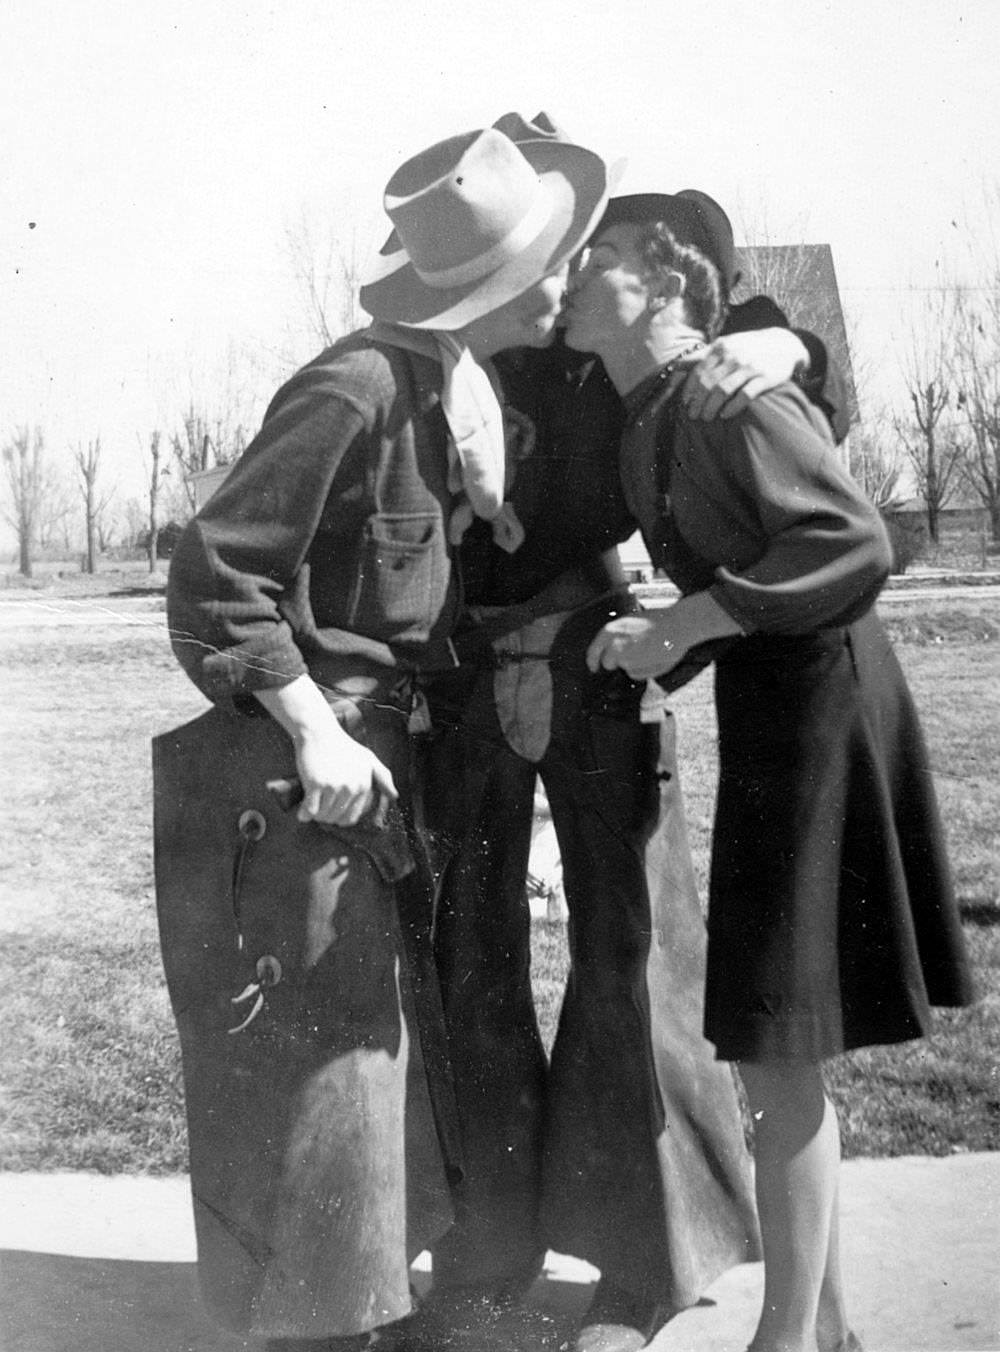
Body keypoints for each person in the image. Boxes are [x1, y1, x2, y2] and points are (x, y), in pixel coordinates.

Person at [153, 121, 615, 1352]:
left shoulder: (452, 392)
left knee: (386, 1047)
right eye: (549, 262)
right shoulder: (358, 386)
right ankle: (316, 1326)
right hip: (316, 765)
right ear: (496, 286)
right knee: (324, 1057)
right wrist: (308, 728)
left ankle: (375, 1300)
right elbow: (214, 575)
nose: (563, 281)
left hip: (396, 756)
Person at [408, 115, 853, 1352]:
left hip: (602, 663)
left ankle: (643, 1266)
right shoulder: (439, 325)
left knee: (630, 954)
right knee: (468, 955)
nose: (544, 276)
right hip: (460, 666)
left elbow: (759, 321)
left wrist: (784, 336)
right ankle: (484, 1248)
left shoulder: (612, 273)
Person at [565, 190, 975, 1352]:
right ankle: (823, 1327)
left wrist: (692, 612)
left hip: (820, 716)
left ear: (660, 280)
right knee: (774, 1039)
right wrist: (678, 615)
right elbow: (752, 564)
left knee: (774, 1040)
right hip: (777, 709)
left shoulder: (724, 395)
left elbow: (854, 540)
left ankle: (787, 1341)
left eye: (593, 263)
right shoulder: (656, 407)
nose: (570, 282)